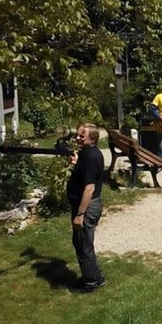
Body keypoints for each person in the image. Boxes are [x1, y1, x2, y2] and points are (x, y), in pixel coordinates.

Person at [66, 123, 106, 293]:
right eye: (77, 135)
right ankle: (96, 276)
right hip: (86, 205)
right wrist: (76, 163)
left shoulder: (91, 158)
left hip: (87, 207)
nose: (77, 138)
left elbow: (89, 188)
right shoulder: (87, 153)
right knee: (82, 242)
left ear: (93, 139)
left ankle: (91, 283)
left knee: (83, 245)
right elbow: (84, 175)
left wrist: (80, 214)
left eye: (82, 136)